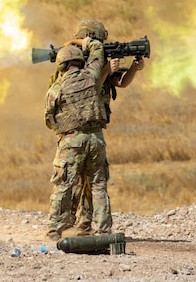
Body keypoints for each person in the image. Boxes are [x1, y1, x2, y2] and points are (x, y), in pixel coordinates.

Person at [69, 20, 146, 235]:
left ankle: (87, 226)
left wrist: (133, 68)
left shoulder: (98, 60)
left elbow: (121, 82)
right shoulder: (74, 64)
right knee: (73, 181)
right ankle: (67, 226)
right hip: (75, 130)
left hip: (94, 132)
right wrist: (103, 70)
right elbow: (88, 89)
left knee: (94, 180)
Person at [44, 39, 112, 241]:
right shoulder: (92, 76)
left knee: (63, 184)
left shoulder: (57, 88)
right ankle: (103, 231)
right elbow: (97, 49)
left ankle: (54, 230)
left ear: (62, 64)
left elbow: (49, 118)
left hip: (71, 141)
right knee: (98, 185)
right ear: (80, 61)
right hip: (96, 139)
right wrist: (82, 41)